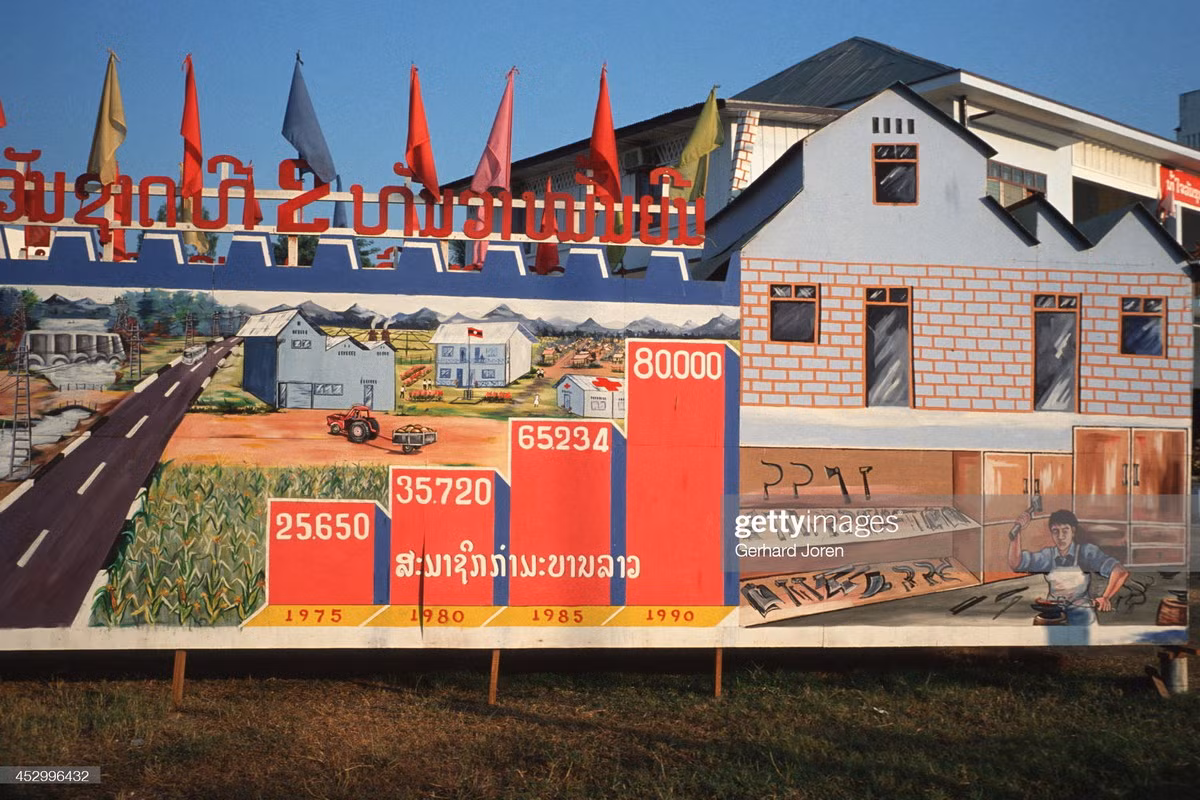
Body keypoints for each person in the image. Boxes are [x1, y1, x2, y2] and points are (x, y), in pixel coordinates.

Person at [1007, 508, 1128, 625]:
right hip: (1053, 612)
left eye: (1065, 531)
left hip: (1082, 614)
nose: (1060, 536)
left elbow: (1120, 571)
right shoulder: (1047, 556)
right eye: (1055, 531)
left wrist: (1105, 597)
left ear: (1073, 531)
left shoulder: (1086, 552)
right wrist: (1017, 533)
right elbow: (1016, 564)